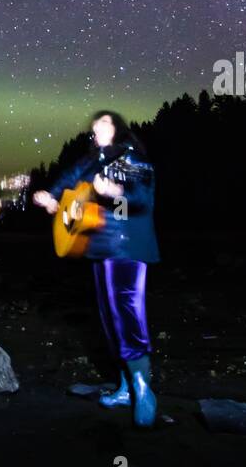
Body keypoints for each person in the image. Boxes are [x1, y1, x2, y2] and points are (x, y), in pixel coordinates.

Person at [34, 110, 159, 427]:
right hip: (98, 247)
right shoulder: (89, 161)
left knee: (128, 312)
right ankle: (124, 387)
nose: (98, 126)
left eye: (105, 122)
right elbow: (66, 184)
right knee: (108, 318)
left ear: (118, 129)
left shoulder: (130, 159)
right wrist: (52, 198)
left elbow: (141, 197)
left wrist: (116, 192)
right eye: (95, 124)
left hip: (127, 244)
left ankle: (144, 389)